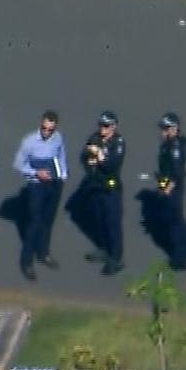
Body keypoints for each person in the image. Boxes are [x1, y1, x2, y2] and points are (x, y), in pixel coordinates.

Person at [12, 110, 68, 281]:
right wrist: (36, 172)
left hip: (53, 185)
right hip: (37, 186)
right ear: (40, 124)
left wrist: (63, 175)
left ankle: (43, 253)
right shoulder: (29, 142)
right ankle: (26, 262)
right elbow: (18, 164)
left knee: (48, 221)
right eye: (44, 128)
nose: (46, 132)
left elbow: (61, 155)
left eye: (50, 130)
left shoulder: (57, 138)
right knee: (35, 223)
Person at [81, 110, 126, 275]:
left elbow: (111, 166)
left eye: (106, 126)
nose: (103, 130)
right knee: (100, 220)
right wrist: (91, 164)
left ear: (113, 127)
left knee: (113, 223)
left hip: (111, 188)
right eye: (101, 125)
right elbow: (85, 155)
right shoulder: (95, 138)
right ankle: (103, 249)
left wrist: (99, 155)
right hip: (97, 186)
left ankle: (116, 258)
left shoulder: (118, 143)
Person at [157, 112, 186, 270]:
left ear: (174, 128)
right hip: (167, 183)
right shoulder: (170, 143)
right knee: (178, 220)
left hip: (173, 187)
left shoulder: (174, 147)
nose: (162, 131)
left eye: (165, 128)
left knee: (174, 223)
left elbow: (177, 172)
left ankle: (179, 260)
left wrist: (167, 188)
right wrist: (162, 187)